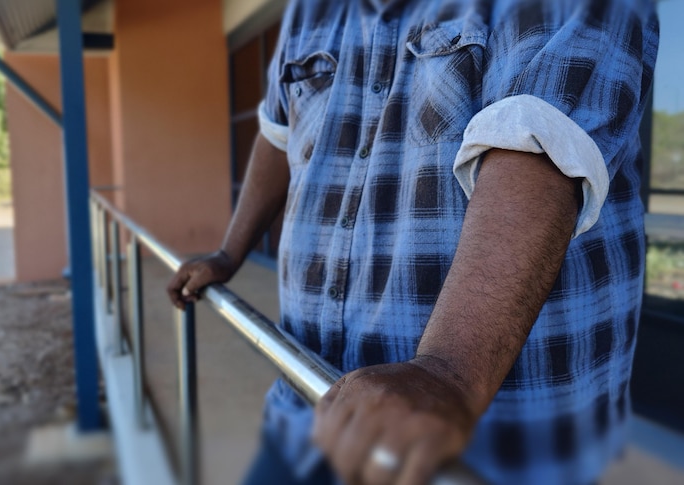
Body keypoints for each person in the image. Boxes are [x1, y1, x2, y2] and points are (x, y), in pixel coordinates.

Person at [167, 1, 659, 484]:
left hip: (484, 453)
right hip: (307, 406)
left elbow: (538, 141)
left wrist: (450, 374)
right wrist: (229, 254)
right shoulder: (308, 9)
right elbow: (278, 137)